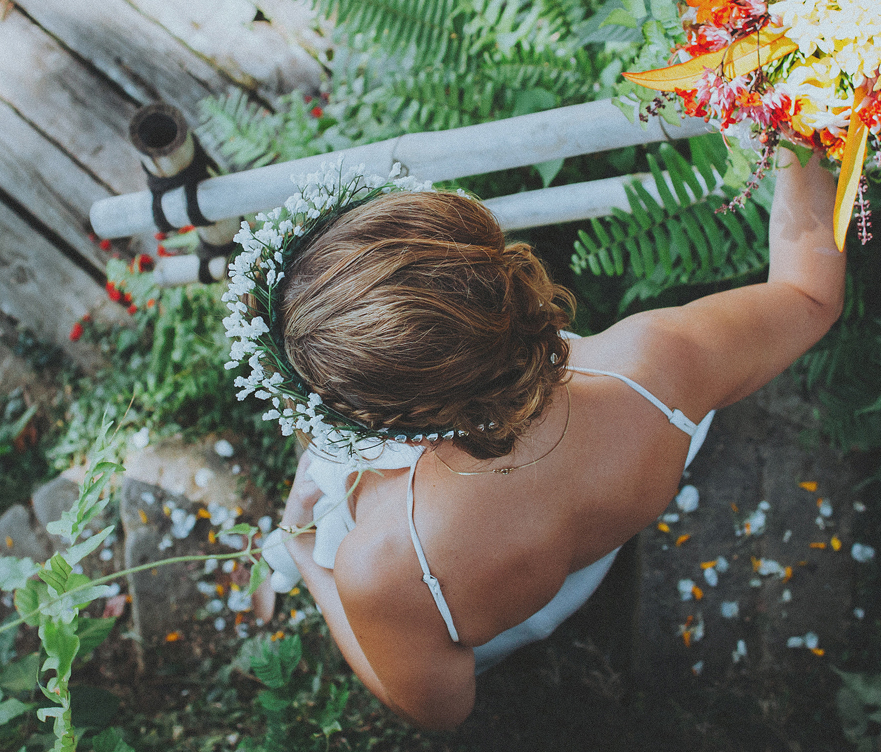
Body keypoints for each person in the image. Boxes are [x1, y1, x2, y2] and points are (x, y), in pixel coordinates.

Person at [245, 148, 843, 730]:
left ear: (384, 418)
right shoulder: (657, 361)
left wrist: (312, 566)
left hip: (485, 604)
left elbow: (441, 713)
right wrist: (799, 127)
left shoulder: (382, 564)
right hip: (597, 534)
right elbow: (808, 296)